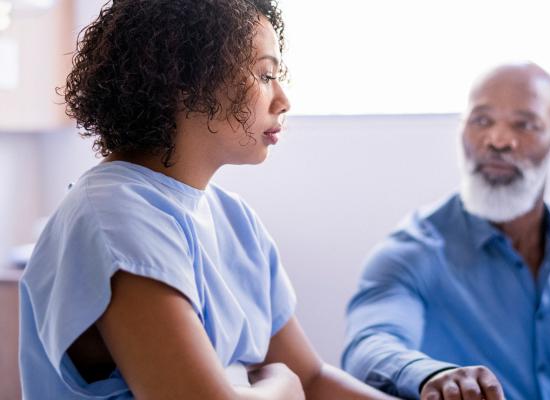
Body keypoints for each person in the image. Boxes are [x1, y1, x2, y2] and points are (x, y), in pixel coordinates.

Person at [18, 1, 397, 399]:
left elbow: (314, 381)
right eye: (265, 75)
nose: (283, 100)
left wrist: (286, 383)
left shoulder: (236, 220)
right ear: (187, 78)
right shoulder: (113, 214)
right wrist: (283, 387)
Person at [342, 63, 550, 400]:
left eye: (524, 125)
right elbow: (369, 347)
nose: (498, 140)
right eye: (481, 121)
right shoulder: (410, 253)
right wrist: (432, 376)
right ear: (461, 131)